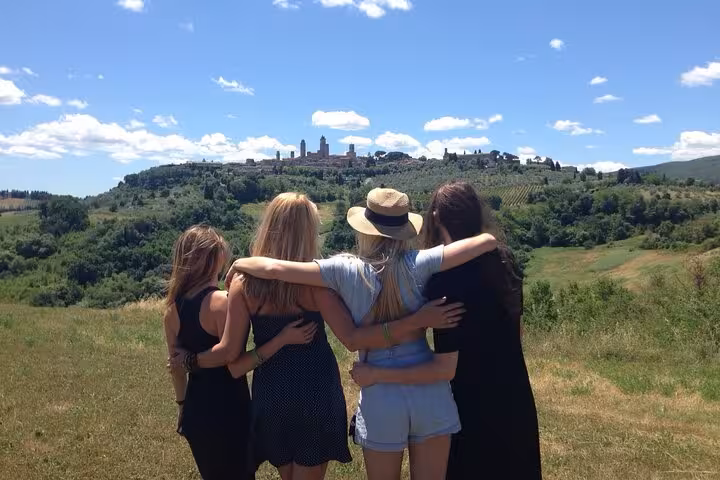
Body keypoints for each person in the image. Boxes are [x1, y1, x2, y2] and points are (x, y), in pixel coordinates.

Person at [173, 193, 464, 480]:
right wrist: (415, 322)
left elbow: (234, 364)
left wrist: (274, 342)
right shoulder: (318, 286)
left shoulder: (244, 284)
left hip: (271, 395)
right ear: (307, 232)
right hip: (316, 392)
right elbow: (353, 338)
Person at [352, 181, 542, 479]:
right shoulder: (504, 260)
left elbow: (444, 369)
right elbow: (516, 333)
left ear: (436, 217)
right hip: (514, 394)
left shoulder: (445, 280)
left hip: (472, 403)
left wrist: (377, 374)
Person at [164, 225, 315, 480]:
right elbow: (230, 356)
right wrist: (282, 338)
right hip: (228, 408)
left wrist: (181, 405)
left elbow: (177, 368)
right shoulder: (220, 302)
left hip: (195, 409)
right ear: (214, 259)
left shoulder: (171, 311)